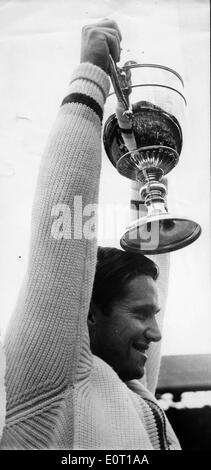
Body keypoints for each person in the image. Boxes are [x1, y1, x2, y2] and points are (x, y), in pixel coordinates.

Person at [0, 19, 180, 450]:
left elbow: (151, 273)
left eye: (152, 315)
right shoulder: (55, 384)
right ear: (89, 314)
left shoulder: (134, 395)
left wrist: (147, 187)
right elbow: (60, 238)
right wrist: (91, 77)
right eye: (140, 314)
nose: (155, 333)